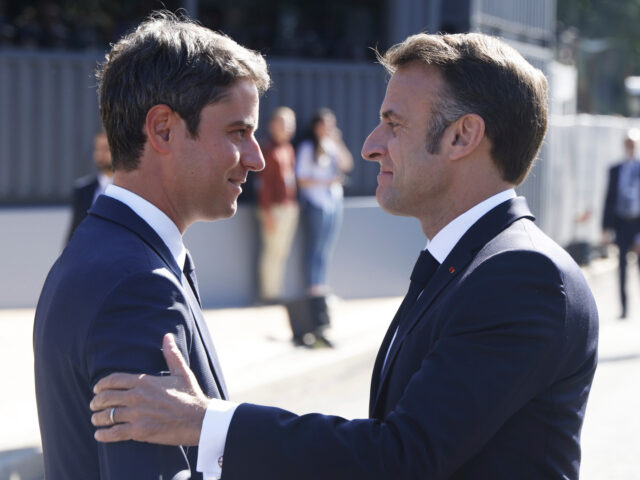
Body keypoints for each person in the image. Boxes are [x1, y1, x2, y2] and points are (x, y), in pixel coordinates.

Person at [90, 32, 599, 479]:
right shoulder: (476, 264)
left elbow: (401, 457)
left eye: (393, 124)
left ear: (463, 135)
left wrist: (205, 423)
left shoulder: (520, 276)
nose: (371, 145)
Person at [33, 11, 269, 480]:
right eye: (238, 132)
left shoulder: (105, 250)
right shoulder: (138, 285)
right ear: (162, 129)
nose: (256, 158)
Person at [296, 108, 353, 297]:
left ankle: (322, 286)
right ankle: (314, 288)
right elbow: (301, 179)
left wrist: (338, 140)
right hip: (316, 201)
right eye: (324, 124)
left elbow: (347, 164)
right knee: (315, 246)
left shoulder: (332, 145)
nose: (328, 128)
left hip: (334, 201)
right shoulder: (306, 148)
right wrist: (326, 182)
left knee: (327, 246)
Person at [256, 107, 298, 302]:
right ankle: (270, 295)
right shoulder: (267, 149)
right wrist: (267, 212)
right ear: (272, 125)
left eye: (290, 123)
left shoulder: (288, 149)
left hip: (289, 207)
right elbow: (262, 185)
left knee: (282, 252)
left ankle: (277, 290)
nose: (286, 127)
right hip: (274, 209)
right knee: (272, 252)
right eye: (282, 122)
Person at [602, 128, 640, 318]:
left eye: (633, 144)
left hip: (637, 223)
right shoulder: (616, 170)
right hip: (622, 223)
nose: (630, 147)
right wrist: (605, 228)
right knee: (622, 267)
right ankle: (624, 307)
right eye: (627, 144)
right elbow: (609, 199)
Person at [66, 130, 113, 242]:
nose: (100, 154)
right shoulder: (83, 189)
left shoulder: (130, 189)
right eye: (97, 149)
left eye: (106, 149)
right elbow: (75, 231)